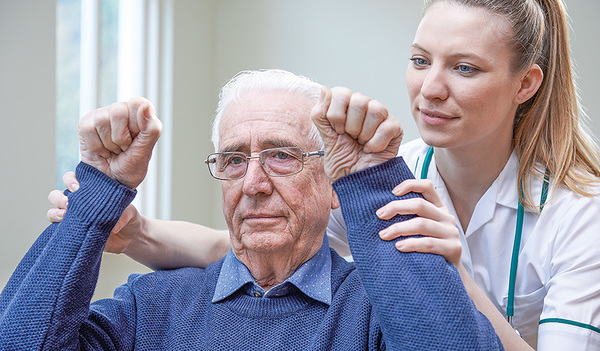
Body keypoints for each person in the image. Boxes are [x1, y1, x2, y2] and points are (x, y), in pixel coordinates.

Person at [47, 0, 600, 349]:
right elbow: (246, 242)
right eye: (419, 59)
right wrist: (124, 229)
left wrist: (452, 276)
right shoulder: (378, 177)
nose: (430, 88)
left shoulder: (581, 213)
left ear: (526, 84)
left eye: (464, 68)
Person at [0, 70, 503, 350]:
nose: (254, 184)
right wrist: (98, 193)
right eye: (234, 159)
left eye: (282, 156)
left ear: (332, 183)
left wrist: (372, 184)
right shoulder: (150, 308)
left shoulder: (377, 311)